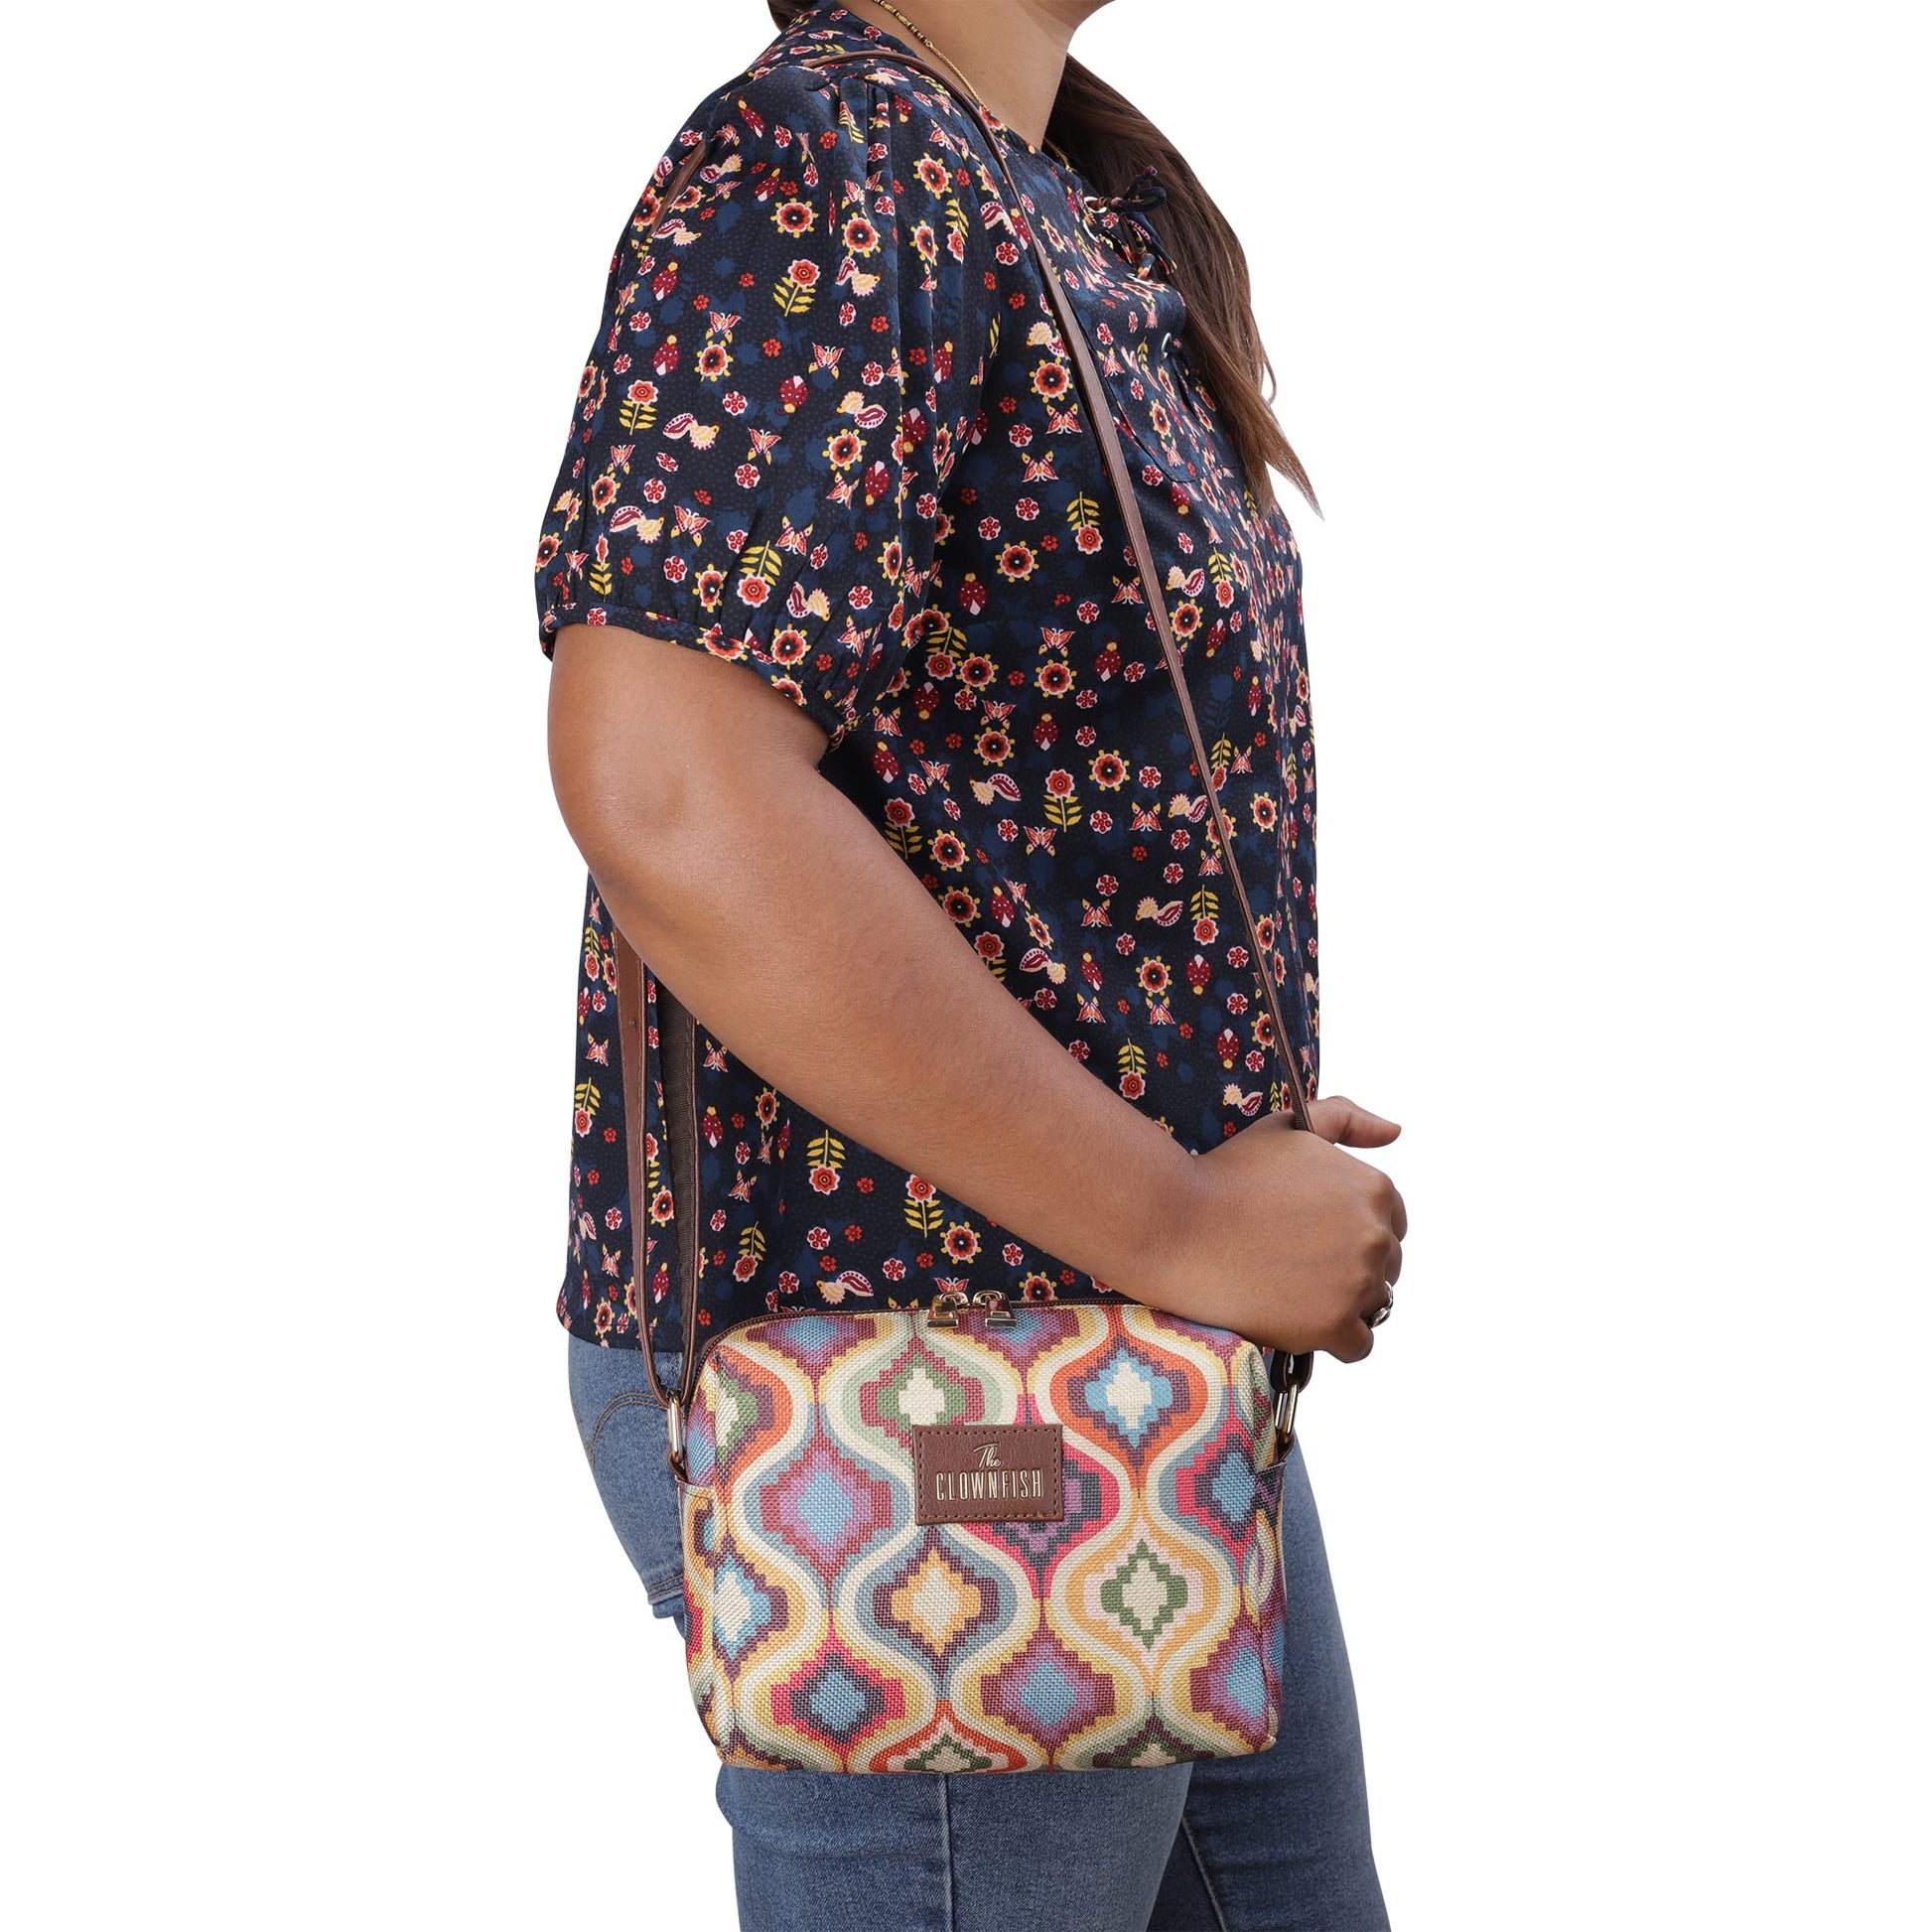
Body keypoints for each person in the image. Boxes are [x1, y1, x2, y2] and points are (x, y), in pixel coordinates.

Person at [534, 3, 1404, 1925]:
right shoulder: (825, 165)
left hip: (1105, 1351)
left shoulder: (1039, 188)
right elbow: (670, 784)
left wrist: (1198, 1098)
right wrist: (1176, 1211)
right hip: (920, 1382)